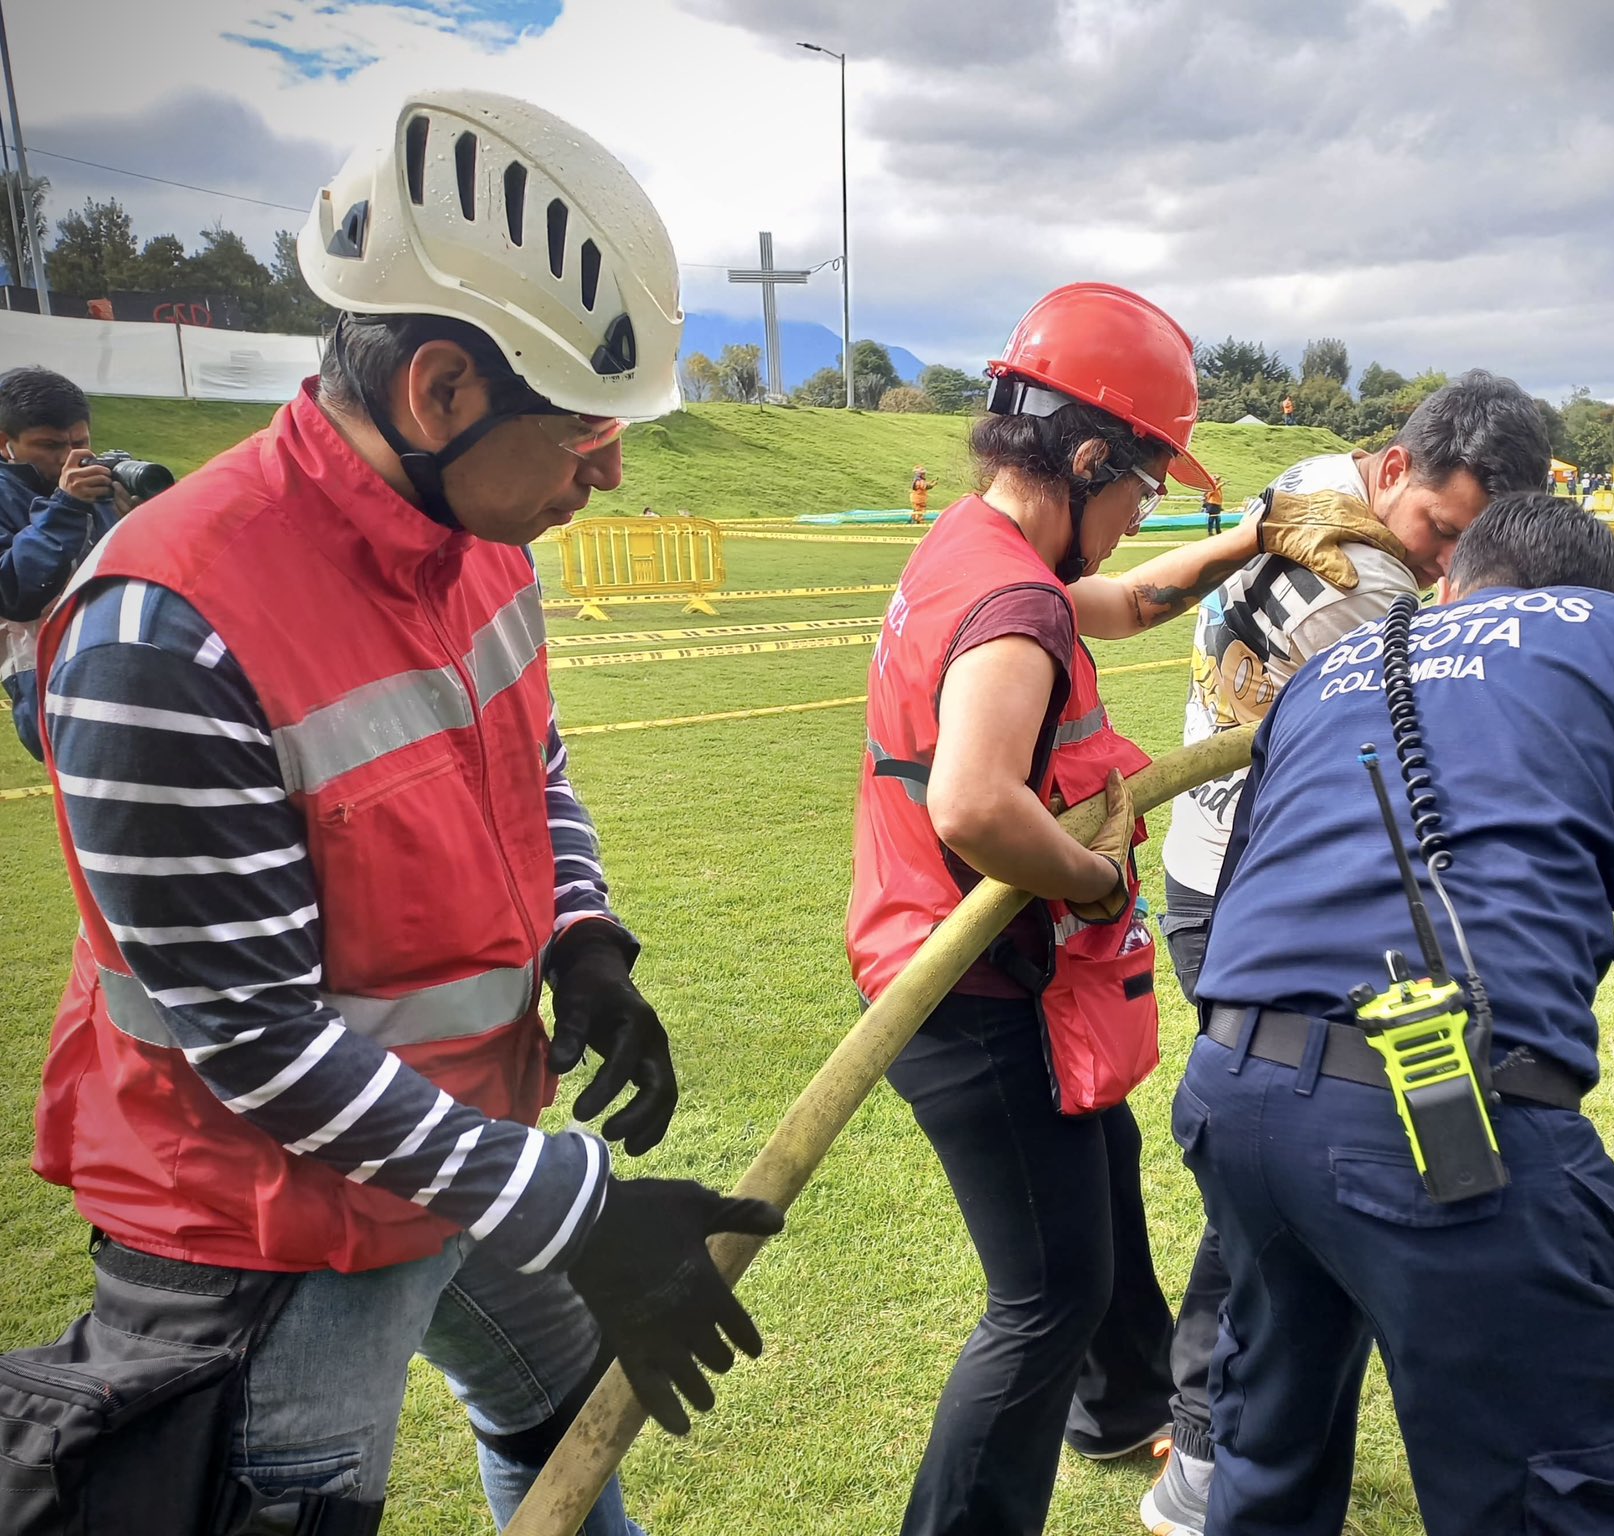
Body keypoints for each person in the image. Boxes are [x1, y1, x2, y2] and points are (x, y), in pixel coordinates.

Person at [14, 90, 782, 1535]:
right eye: (583, 432)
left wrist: (580, 935)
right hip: (266, 1231)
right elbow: (252, 1037)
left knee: (566, 1448)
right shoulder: (161, 628)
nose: (610, 470)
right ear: (439, 392)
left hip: (464, 1149)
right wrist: (578, 1207)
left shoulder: (483, 539)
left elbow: (532, 771)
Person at [846, 282, 1381, 1536]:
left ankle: (1111, 1407)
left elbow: (1126, 604)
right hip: (971, 995)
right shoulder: (1013, 603)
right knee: (1043, 1298)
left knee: (1105, 1171)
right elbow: (976, 807)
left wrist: (1245, 543)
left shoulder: (979, 554)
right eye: (1142, 481)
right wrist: (1093, 877)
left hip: (947, 969)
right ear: (1087, 456)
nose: (1145, 506)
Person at [1177, 492, 1614, 1534]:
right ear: (1600, 595)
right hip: (1446, 1124)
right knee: (1561, 1492)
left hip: (1234, 1096)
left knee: (1264, 1464)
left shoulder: (1332, 667)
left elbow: (1239, 892)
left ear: (1451, 581)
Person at [1143, 370, 1550, 1536]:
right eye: (1438, 530)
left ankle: (1216, 1438)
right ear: (1390, 470)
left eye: (1468, 543)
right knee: (1282, 1168)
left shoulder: (1314, 487)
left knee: (1280, 1167)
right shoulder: (1363, 594)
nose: (1440, 563)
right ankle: (1210, 1447)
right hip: (1249, 894)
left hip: (1245, 876)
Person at [0, 366, 126, 759]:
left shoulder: (93, 480)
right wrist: (66, 507)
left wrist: (141, 517)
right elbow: (14, 593)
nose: (70, 457)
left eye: (80, 441)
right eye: (51, 446)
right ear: (5, 443)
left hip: (120, 654)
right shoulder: (58, 494)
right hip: (46, 676)